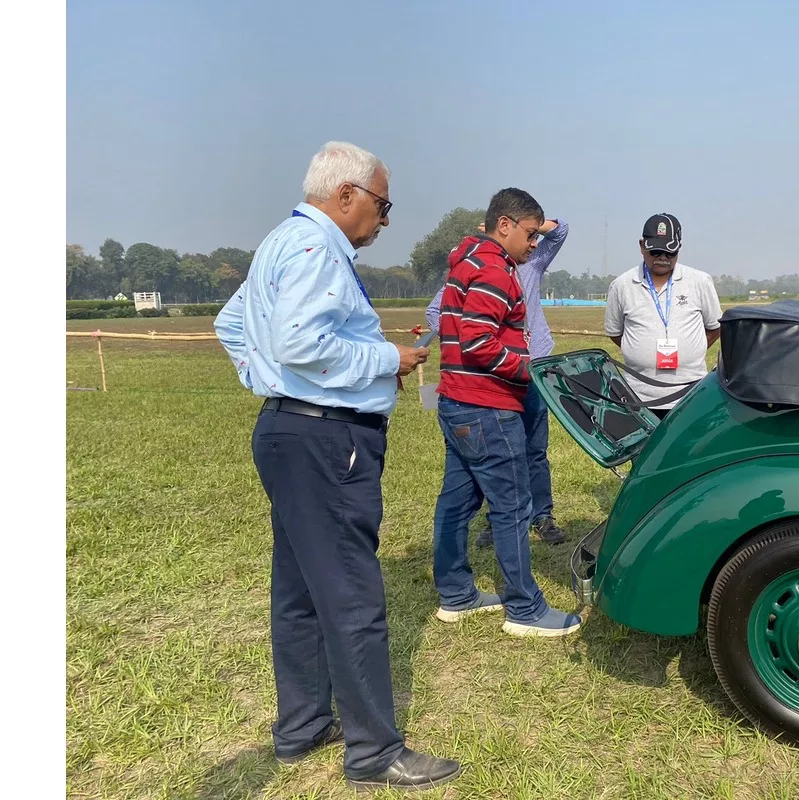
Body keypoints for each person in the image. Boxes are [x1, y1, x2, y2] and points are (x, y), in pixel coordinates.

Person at [213, 141, 462, 791]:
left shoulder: (280, 242)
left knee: (298, 592)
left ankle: (301, 726)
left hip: (290, 432)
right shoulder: (317, 249)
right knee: (352, 596)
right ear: (346, 194)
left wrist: (273, 384)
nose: (384, 221)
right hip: (327, 443)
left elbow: (232, 325)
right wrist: (386, 361)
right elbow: (301, 342)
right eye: (383, 205)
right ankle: (375, 751)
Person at [430, 187, 582, 637]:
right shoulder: (495, 269)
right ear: (505, 225)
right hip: (489, 407)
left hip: (456, 401)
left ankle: (456, 593)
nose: (534, 244)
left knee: (457, 500)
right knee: (513, 505)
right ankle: (525, 608)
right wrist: (528, 369)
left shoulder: (466, 262)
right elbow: (479, 342)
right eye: (531, 233)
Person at [425, 217, 569, 549]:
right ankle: (498, 519)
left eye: (533, 236)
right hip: (498, 374)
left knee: (535, 448)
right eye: (528, 234)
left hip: (532, 370)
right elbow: (436, 312)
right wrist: (477, 335)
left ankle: (542, 515)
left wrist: (530, 222)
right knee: (502, 451)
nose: (532, 241)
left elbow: (560, 232)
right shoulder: (470, 269)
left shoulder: (531, 263)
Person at [604, 213, 722, 419]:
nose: (663, 258)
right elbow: (616, 333)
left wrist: (693, 351)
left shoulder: (700, 281)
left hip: (690, 393)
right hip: (638, 395)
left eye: (670, 253)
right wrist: (641, 352)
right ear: (642, 246)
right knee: (642, 451)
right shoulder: (622, 285)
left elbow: (714, 327)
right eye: (656, 251)